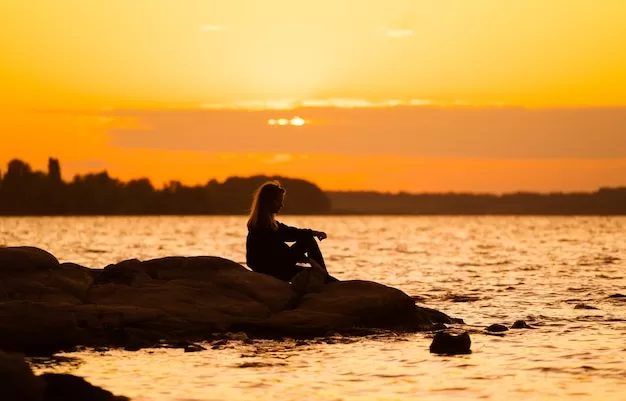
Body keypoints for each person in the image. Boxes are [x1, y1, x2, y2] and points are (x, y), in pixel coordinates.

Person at [246, 180, 337, 283]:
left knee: (307, 238)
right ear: (268, 202)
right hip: (272, 269)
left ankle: (324, 276)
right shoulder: (261, 226)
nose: (281, 205)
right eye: (279, 201)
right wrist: (308, 260)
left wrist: (314, 232)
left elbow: (290, 233)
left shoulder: (271, 224)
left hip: (278, 264)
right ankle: (325, 277)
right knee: (313, 265)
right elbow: (279, 252)